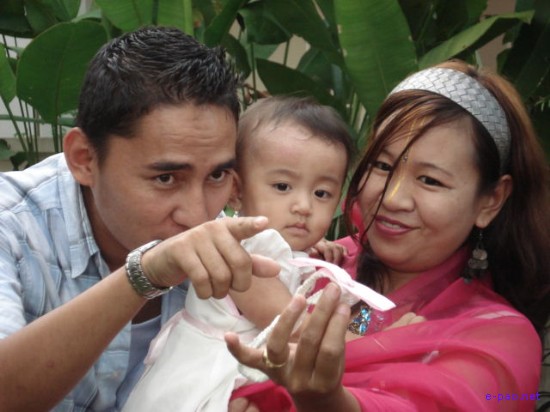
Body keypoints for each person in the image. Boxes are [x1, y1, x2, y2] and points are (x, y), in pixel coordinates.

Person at [226, 60, 550, 412]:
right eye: (382, 166)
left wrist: (328, 402)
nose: (392, 199)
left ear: (491, 200)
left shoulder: (500, 338)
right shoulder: (314, 263)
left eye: (430, 180)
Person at [0, 26, 283, 411]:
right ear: (84, 159)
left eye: (217, 175)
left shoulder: (240, 239)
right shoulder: (12, 225)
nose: (198, 214)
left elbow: (351, 324)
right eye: (166, 178)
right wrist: (144, 275)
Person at [122, 95, 355, 411]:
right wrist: (385, 340)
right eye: (282, 187)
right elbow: (297, 328)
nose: (304, 206)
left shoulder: (289, 246)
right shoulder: (242, 251)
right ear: (236, 191)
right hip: (209, 378)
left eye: (321, 193)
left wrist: (310, 249)